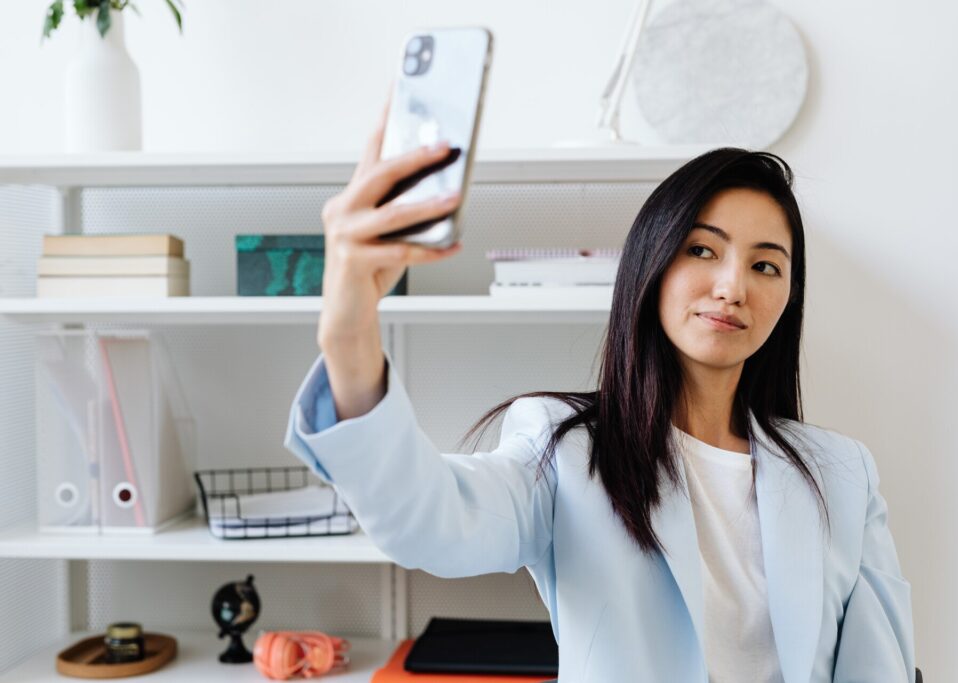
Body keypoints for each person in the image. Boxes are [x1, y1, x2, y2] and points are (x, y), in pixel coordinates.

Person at [284, 108, 916, 682]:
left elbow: (878, 668)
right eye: (702, 249)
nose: (732, 286)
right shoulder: (565, 447)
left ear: (788, 297)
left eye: (765, 265)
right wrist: (348, 333)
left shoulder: (843, 473)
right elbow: (426, 521)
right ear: (653, 263)